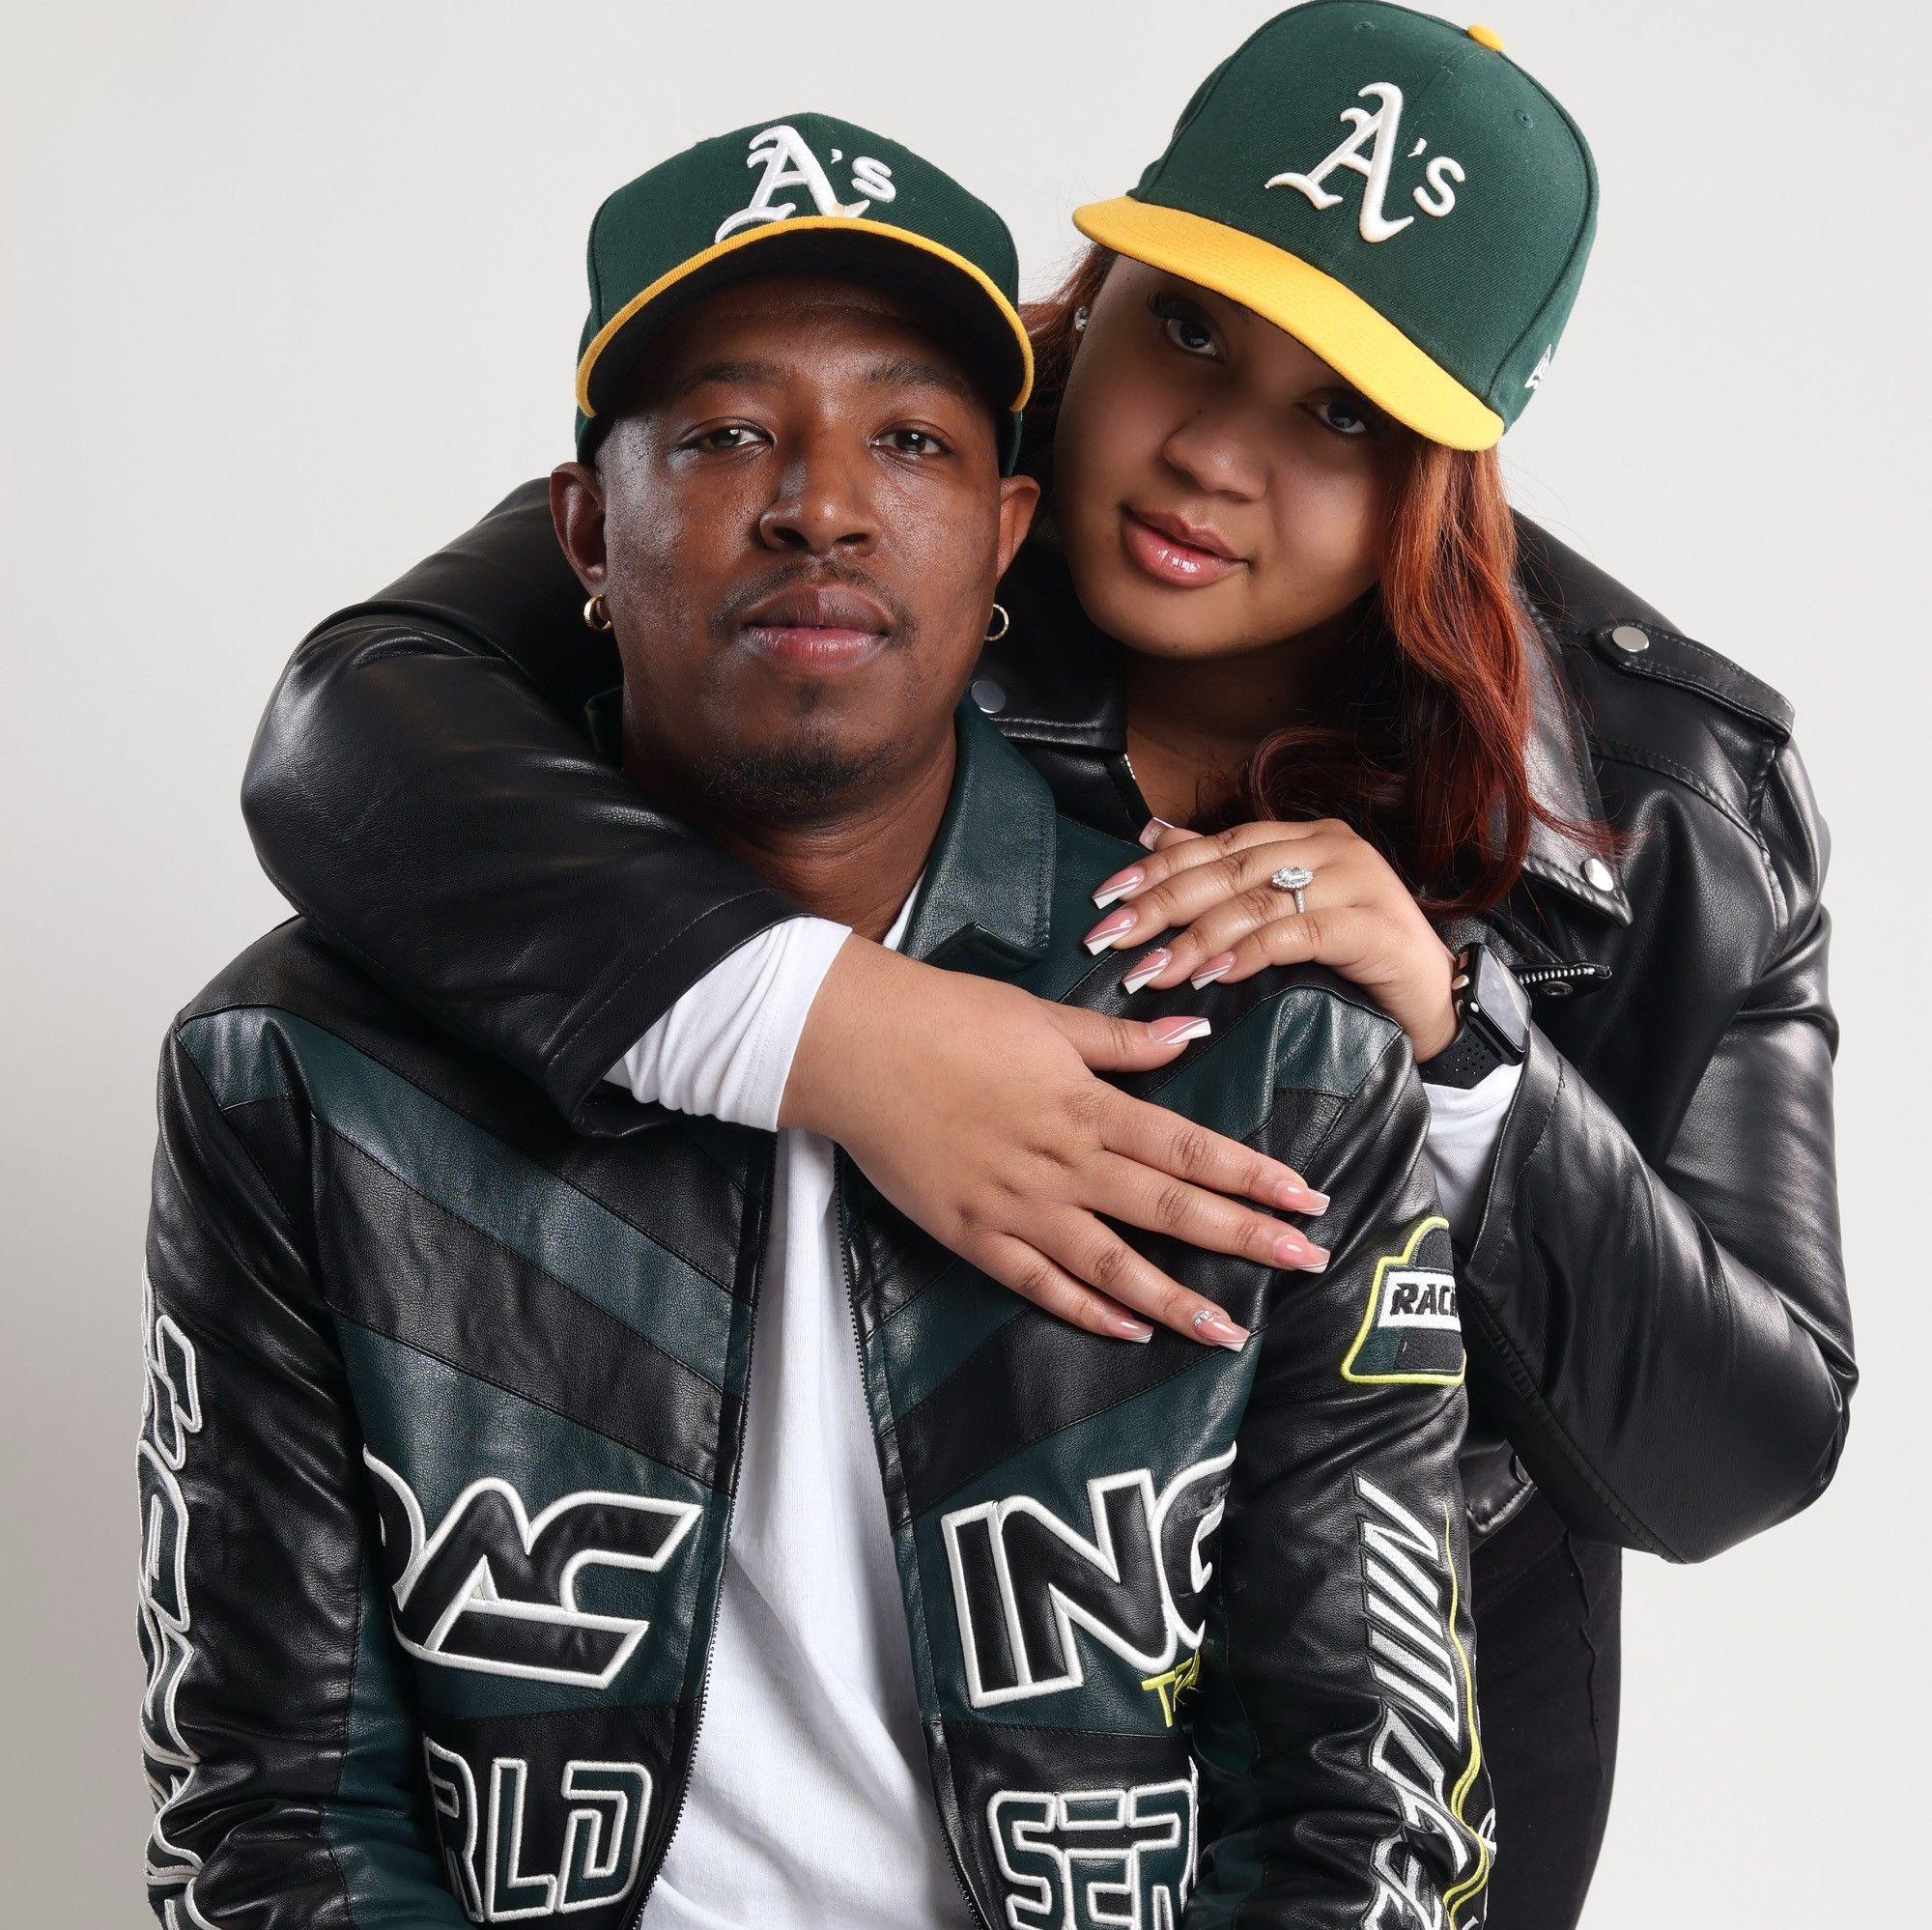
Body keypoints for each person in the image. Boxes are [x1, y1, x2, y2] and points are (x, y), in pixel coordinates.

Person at [239, 5, 1857, 1923]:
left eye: (1341, 412)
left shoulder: (1668, 795)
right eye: (1189, 329)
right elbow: (354, 726)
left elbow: (1739, 1455)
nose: (1211, 456)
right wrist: (836, 1030)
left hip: (1395, 1729)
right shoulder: (878, 473)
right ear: (1087, 302)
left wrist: (1457, 1045)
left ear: (1450, 470)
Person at [141, 115, 1494, 1929]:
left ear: (1006, 532)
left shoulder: (1274, 1063)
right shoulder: (300, 1078)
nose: (822, 505)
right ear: (582, 533)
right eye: (724, 434)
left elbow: (1365, 1814)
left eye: (911, 439)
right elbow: (281, 1820)